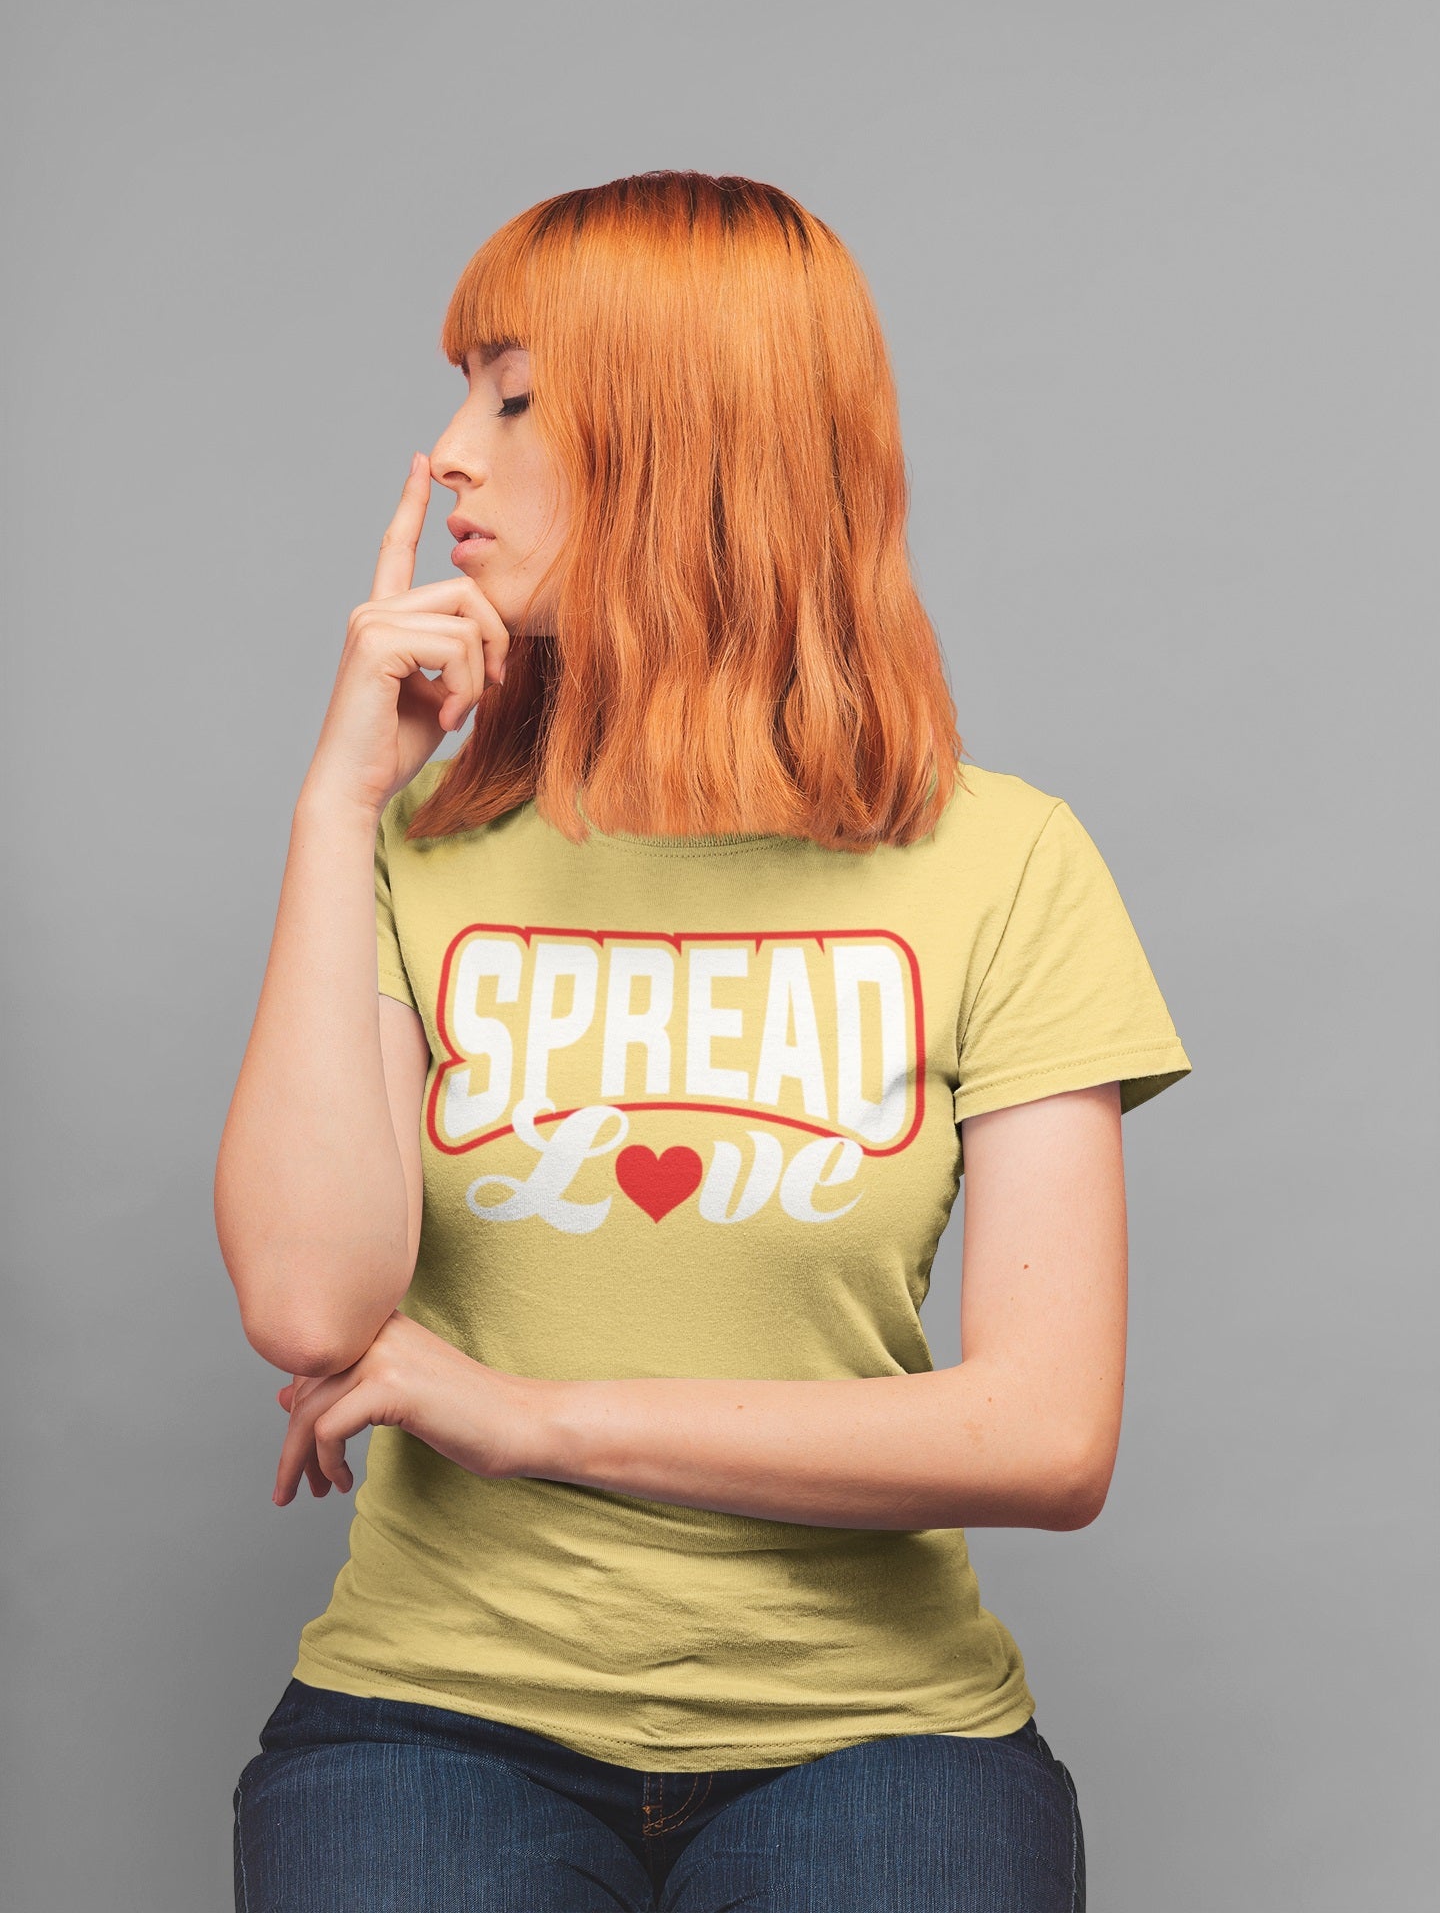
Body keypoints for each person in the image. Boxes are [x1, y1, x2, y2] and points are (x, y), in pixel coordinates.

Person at [216, 168, 1192, 1912]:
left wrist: (533, 1416)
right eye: (460, 393)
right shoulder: (411, 849)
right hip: (430, 1722)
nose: (446, 452)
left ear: (698, 442)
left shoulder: (1008, 863)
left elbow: (1047, 1437)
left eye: (514, 400)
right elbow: (307, 1305)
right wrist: (333, 810)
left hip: (879, 1737)